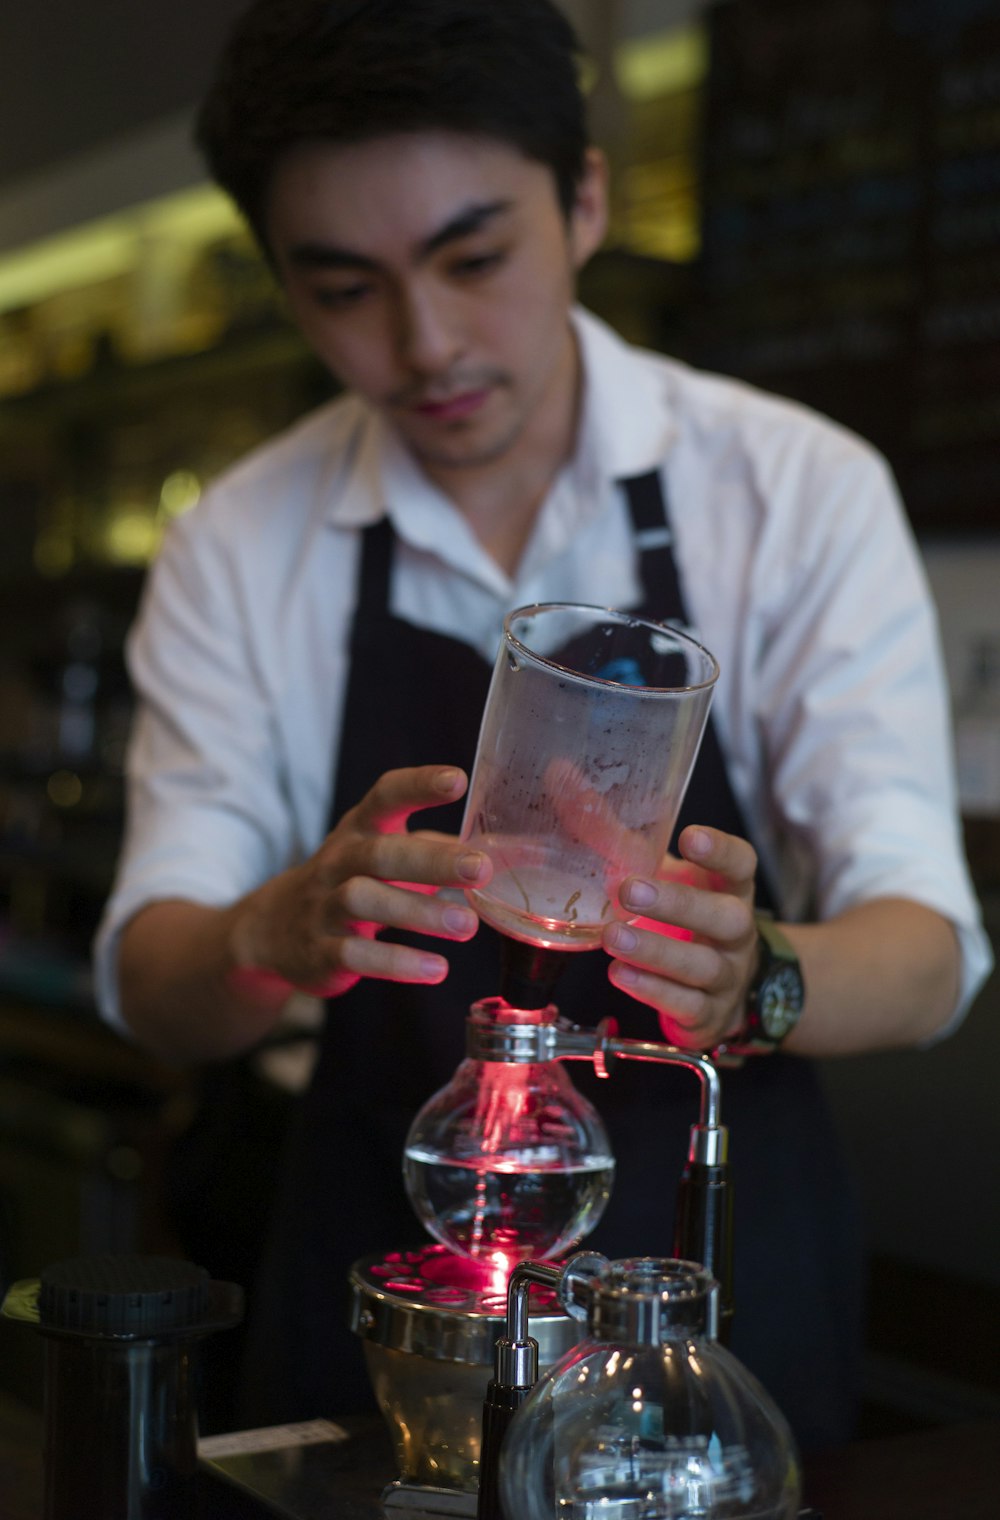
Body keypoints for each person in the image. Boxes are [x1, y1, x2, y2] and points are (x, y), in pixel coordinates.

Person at [94, 0, 991, 1453]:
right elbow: (153, 979)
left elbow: (929, 950)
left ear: (584, 201)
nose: (425, 343)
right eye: (344, 289)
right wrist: (272, 932)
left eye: (474, 256)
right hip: (380, 1296)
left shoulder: (790, 488)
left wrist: (754, 976)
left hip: (710, 1300)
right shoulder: (243, 542)